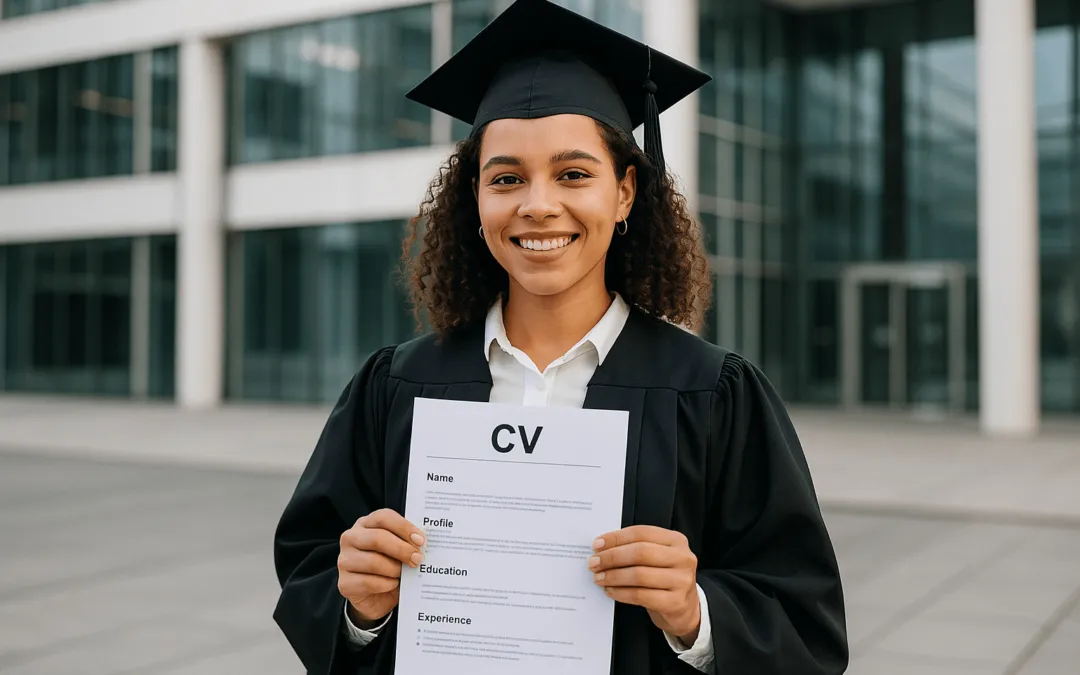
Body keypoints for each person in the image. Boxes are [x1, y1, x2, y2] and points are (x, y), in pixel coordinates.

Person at [272, 1, 849, 673]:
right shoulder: (396, 386)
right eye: (506, 178)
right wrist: (360, 607)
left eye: (574, 173)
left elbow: (805, 622)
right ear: (477, 201)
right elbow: (313, 570)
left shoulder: (711, 393)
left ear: (626, 192)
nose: (538, 204)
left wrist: (695, 612)